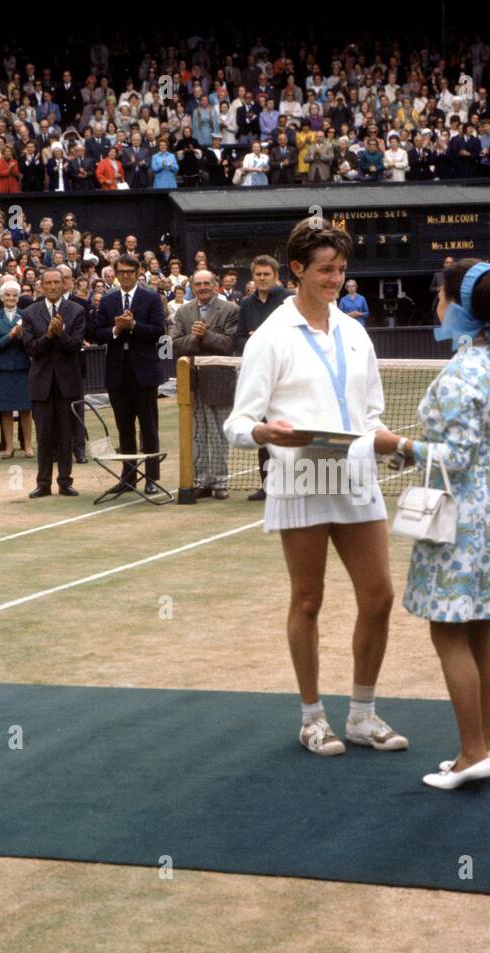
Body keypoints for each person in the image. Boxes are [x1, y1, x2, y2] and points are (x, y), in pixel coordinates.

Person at [223, 217, 410, 758]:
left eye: (342, 270)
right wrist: (264, 432)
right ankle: (312, 718)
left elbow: (370, 412)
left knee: (378, 596)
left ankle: (363, 716)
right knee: (308, 600)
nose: (335, 280)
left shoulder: (355, 332)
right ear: (297, 270)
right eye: (326, 270)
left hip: (354, 476)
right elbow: (239, 423)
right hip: (300, 475)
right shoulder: (271, 338)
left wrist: (393, 446)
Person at [394, 260, 490, 789]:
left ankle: (472, 752)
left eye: (441, 294)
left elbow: (457, 455)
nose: (436, 303)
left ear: (458, 304)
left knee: (449, 631)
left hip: (459, 516)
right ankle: (487, 745)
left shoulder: (464, 371)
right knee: (483, 627)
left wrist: (397, 445)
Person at [93, 254, 165, 496]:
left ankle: (152, 477)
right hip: (117, 374)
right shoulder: (108, 300)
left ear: (138, 273)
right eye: (121, 271)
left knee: (149, 428)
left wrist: (134, 326)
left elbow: (158, 331)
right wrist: (116, 328)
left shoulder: (151, 298)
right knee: (124, 429)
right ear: (115, 273)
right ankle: (128, 477)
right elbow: (97, 333)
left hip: (144, 374)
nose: (125, 275)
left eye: (129, 272)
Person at [170, 269, 240, 498]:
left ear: (215, 285)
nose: (202, 288)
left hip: (221, 381)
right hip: (191, 382)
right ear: (192, 286)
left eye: (206, 283)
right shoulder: (183, 311)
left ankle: (220, 483)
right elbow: (175, 344)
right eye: (197, 284)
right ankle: (201, 481)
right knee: (197, 434)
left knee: (220, 435)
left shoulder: (230, 309)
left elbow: (230, 344)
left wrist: (206, 335)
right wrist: (197, 337)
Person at [234, 255, 294, 500]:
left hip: (287, 378)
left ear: (276, 276)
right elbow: (237, 338)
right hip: (259, 379)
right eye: (258, 274)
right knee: (264, 432)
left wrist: (267, 339)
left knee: (289, 433)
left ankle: (293, 482)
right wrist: (253, 340)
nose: (261, 278)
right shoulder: (246, 304)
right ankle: (268, 485)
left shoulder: (289, 300)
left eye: (266, 274)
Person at [22, 268, 85, 497]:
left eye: (56, 282)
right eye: (47, 283)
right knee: (44, 435)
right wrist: (48, 336)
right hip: (42, 383)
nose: (52, 286)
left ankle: (65, 481)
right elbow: (30, 348)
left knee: (66, 434)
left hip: (68, 382)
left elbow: (75, 345)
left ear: (64, 284)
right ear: (40, 285)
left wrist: (60, 334)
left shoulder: (76, 311)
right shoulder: (30, 312)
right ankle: (43, 482)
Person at [0, 280, 34, 460]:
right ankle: (9, 447)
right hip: (3, 368)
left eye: (15, 295)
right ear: (1, 297)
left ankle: (28, 446)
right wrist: (10, 335)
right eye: (7, 295)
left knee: (25, 408)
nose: (11, 298)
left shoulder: (26, 315)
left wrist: (22, 337)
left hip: (23, 367)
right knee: (5, 410)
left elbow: (31, 343)